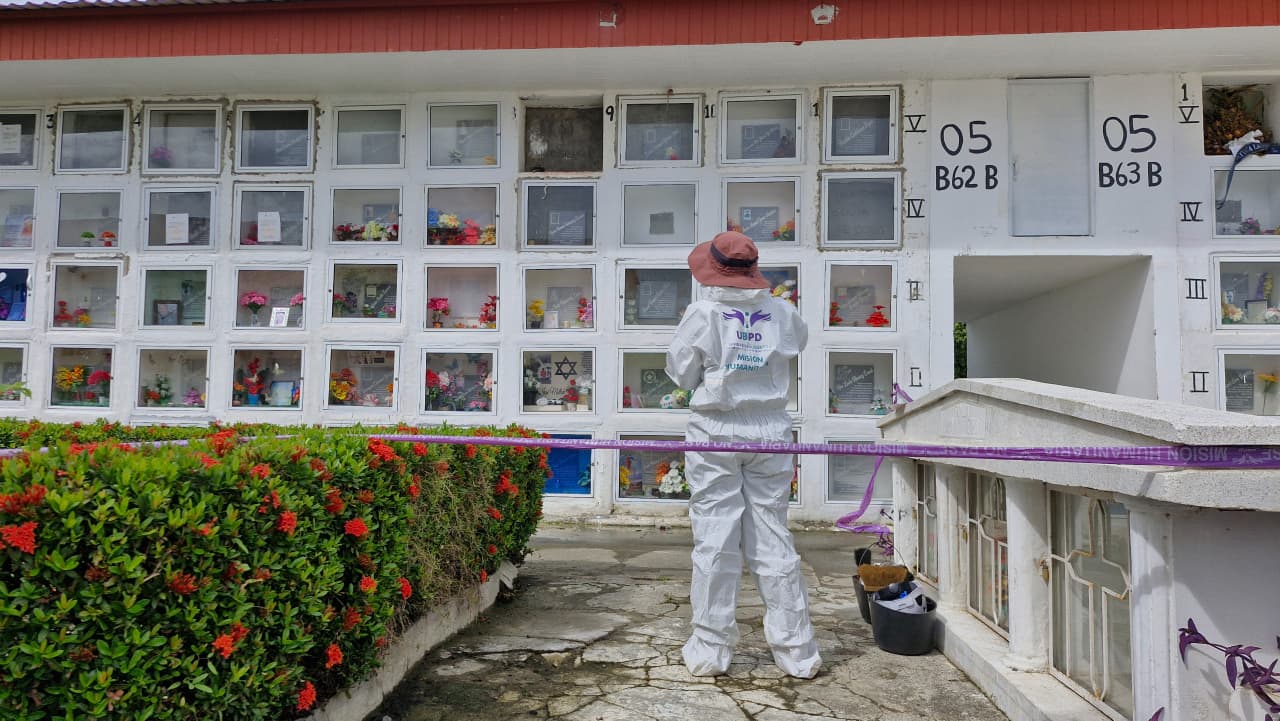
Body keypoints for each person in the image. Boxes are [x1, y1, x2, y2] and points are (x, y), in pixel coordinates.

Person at [665, 230, 820, 679]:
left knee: (715, 536)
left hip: (716, 429)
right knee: (772, 534)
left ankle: (711, 650)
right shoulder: (784, 312)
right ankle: (797, 651)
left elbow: (681, 373)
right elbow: (797, 346)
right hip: (770, 429)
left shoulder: (703, 313)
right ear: (752, 270)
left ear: (711, 269)